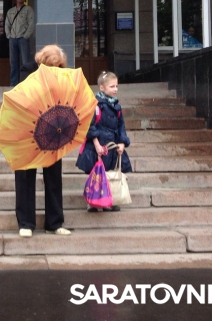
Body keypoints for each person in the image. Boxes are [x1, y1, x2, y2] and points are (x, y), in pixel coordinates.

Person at [15, 44, 71, 238]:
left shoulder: (62, 75)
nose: (56, 70)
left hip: (53, 130)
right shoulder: (28, 70)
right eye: (53, 66)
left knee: (54, 177)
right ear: (43, 62)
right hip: (28, 130)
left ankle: (54, 223)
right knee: (25, 177)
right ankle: (26, 223)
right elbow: (26, 97)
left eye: (59, 67)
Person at [77, 70, 132, 212]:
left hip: (111, 145)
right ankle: (93, 200)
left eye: (116, 86)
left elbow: (121, 126)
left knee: (109, 172)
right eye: (112, 86)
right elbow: (90, 125)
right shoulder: (95, 105)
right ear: (102, 88)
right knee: (96, 173)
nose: (115, 89)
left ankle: (109, 199)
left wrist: (122, 142)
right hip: (97, 145)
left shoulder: (116, 106)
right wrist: (96, 144)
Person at [5, 0, 34, 86]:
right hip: (12, 39)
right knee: (13, 63)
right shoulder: (10, 11)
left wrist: (25, 36)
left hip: (22, 39)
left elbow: (31, 24)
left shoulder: (28, 10)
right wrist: (9, 36)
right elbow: (7, 24)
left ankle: (26, 84)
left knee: (25, 63)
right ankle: (13, 84)